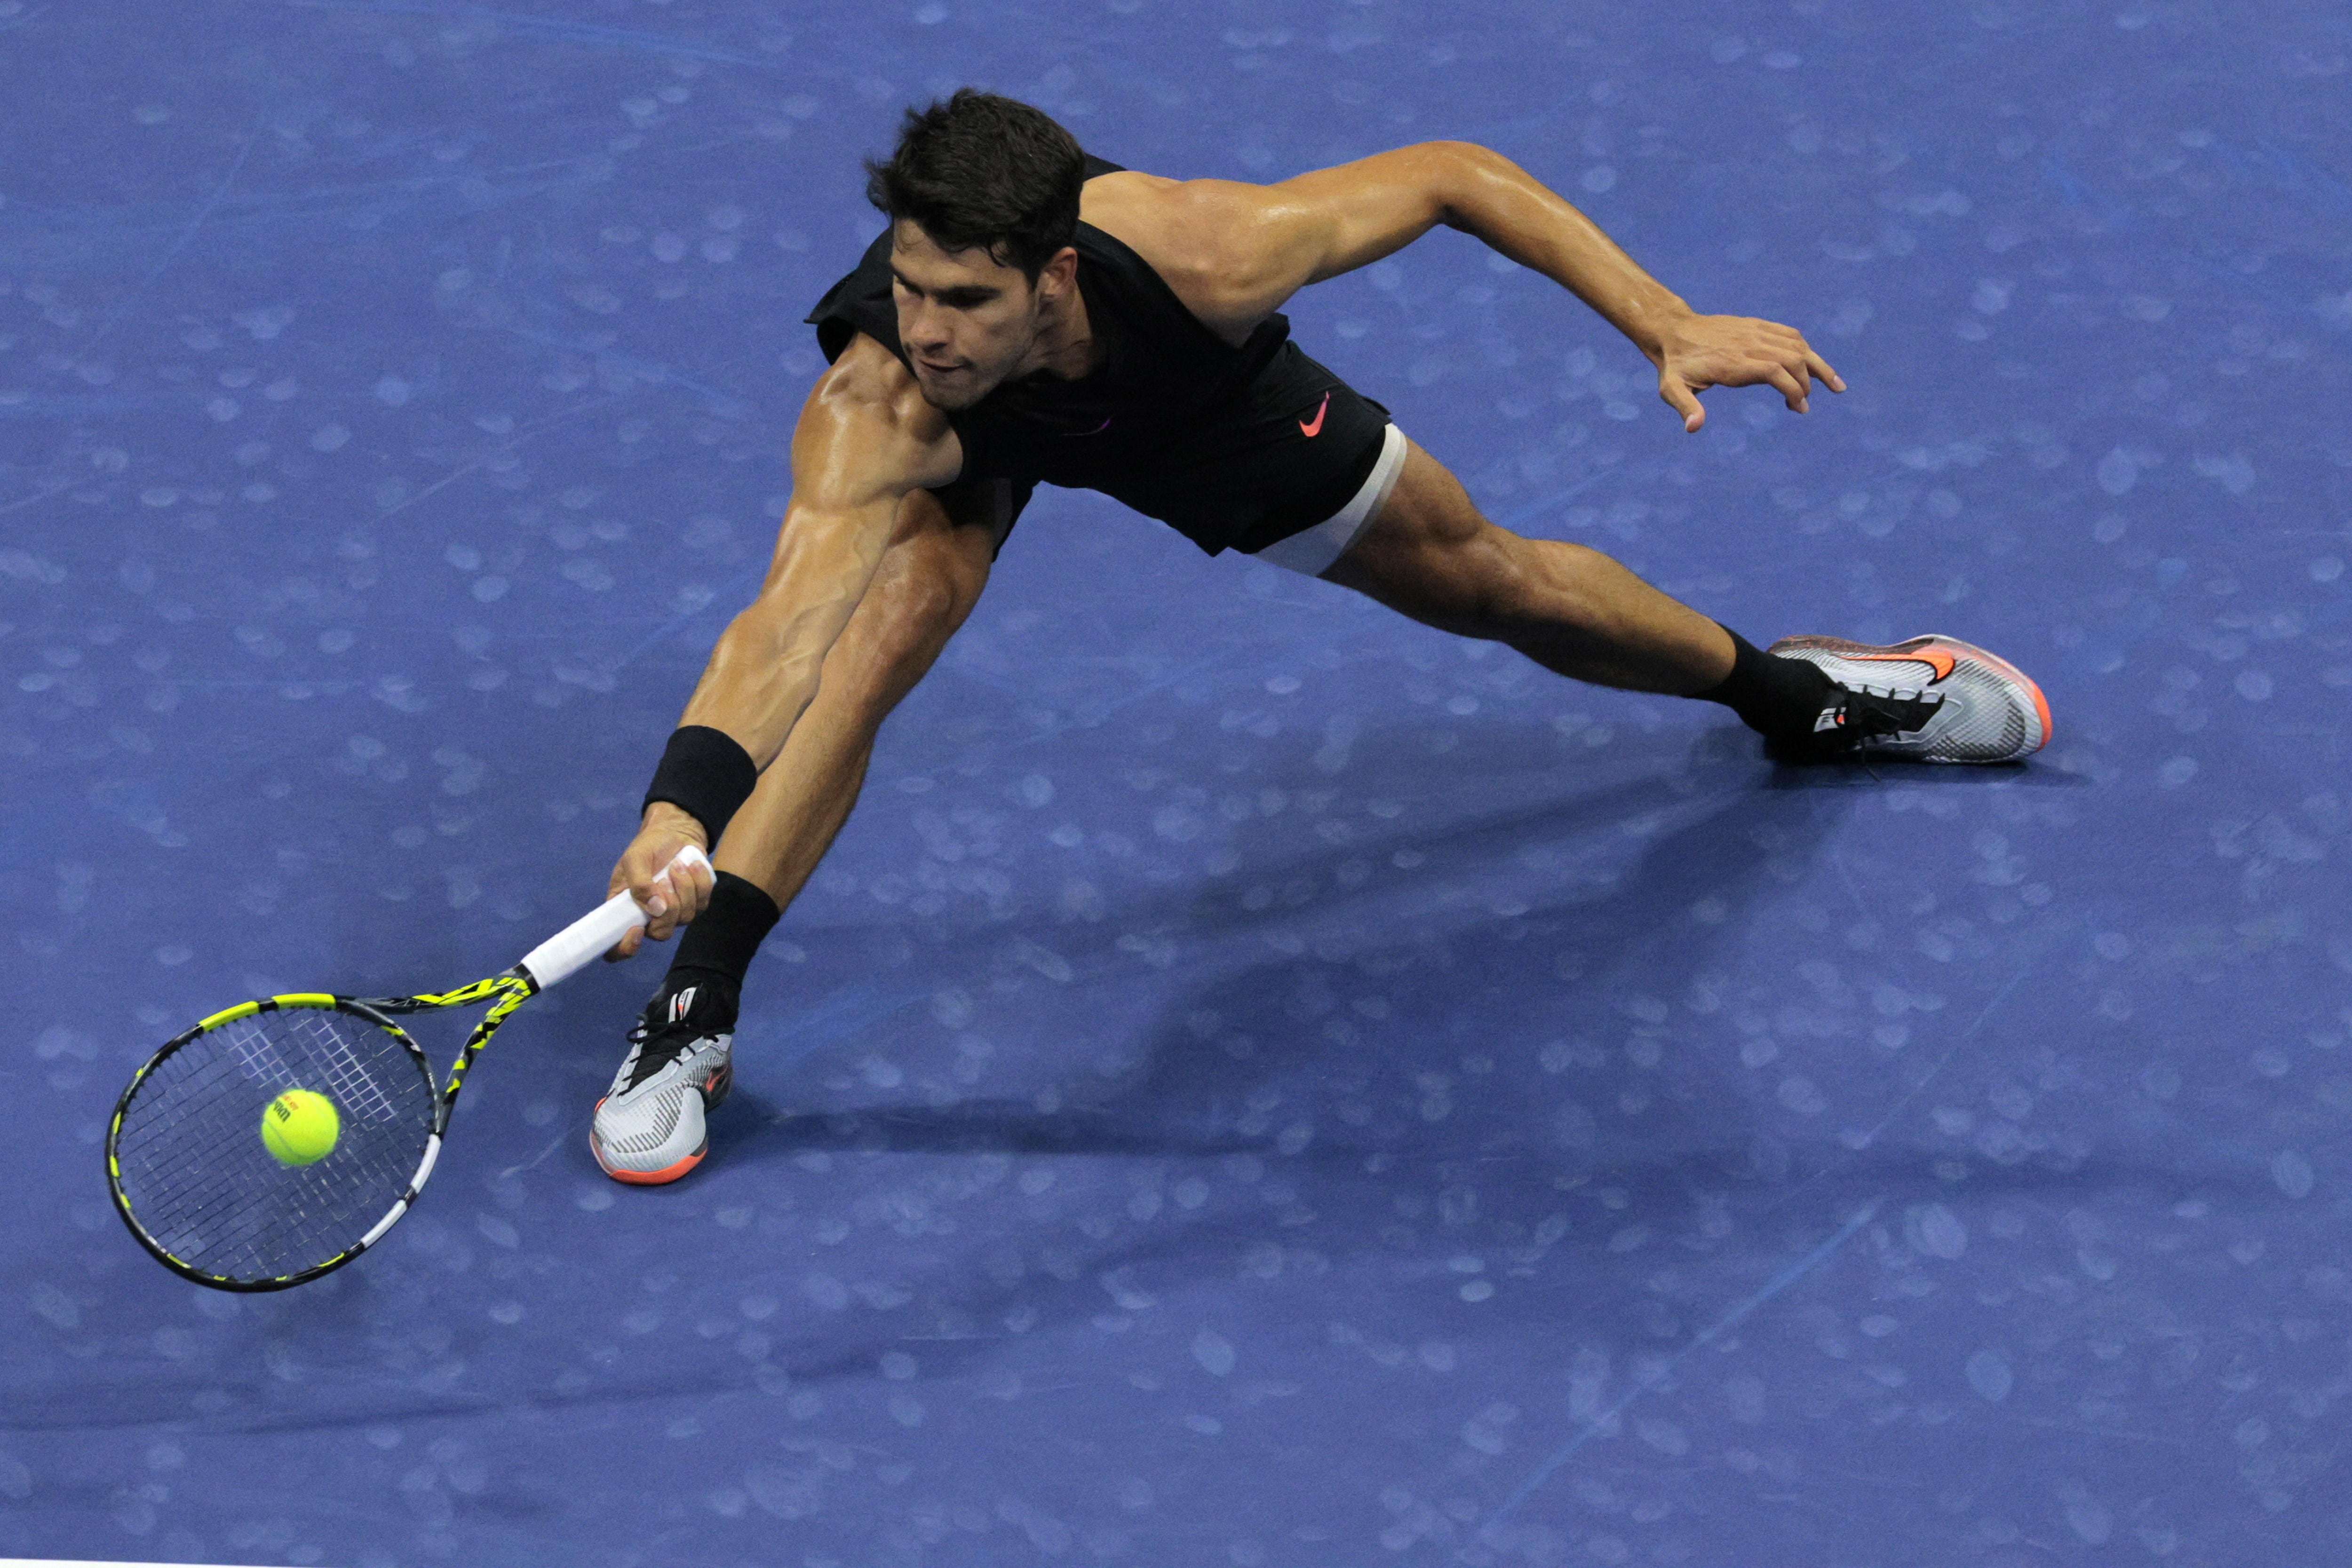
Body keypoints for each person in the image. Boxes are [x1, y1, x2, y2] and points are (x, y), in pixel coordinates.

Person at [584, 90, 2051, 1185]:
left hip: (1186, 413)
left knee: (1494, 585)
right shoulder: (886, 402)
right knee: (870, 637)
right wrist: (676, 807)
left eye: (965, 300)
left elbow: (1455, 176)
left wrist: (1662, 322)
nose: (929, 329)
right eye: (908, 289)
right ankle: (699, 995)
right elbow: (782, 624)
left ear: (1058, 274)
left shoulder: (1204, 255)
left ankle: (1802, 694)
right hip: (978, 460)